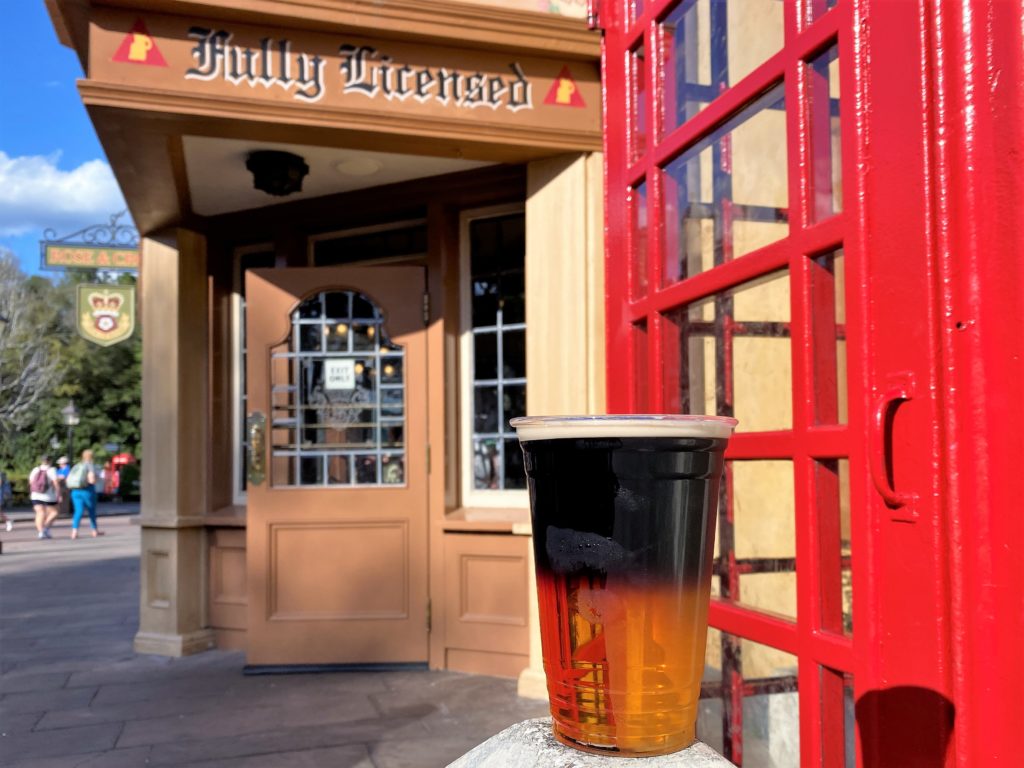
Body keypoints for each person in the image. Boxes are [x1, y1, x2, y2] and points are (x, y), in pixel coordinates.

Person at [68, 449, 103, 539]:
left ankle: (74, 532)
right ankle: (94, 530)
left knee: (78, 511)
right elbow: (91, 479)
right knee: (91, 511)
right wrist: (97, 479)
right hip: (87, 491)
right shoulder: (90, 465)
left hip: (75, 491)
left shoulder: (77, 465)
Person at [28, 456, 60, 539]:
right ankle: (46, 527)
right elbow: (56, 483)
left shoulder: (35, 469)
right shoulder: (52, 470)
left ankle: (41, 532)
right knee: (54, 512)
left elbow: (31, 482)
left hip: (35, 495)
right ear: (50, 461)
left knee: (39, 513)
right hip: (48, 496)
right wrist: (59, 494)